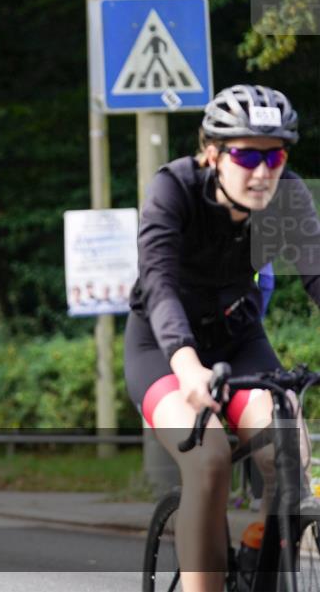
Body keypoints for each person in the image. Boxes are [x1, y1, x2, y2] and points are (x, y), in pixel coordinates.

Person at [125, 85, 319, 591]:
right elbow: (159, 284)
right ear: (212, 153)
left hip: (239, 338)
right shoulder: (174, 189)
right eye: (246, 154)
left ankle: (260, 551)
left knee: (286, 445)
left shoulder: (289, 196)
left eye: (274, 154)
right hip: (163, 350)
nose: (263, 170)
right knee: (207, 457)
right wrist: (187, 366)